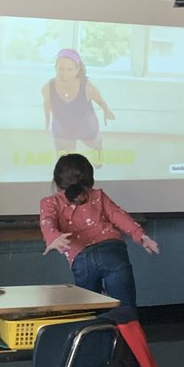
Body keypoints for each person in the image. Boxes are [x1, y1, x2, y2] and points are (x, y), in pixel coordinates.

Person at [39, 153, 158, 307]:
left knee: (89, 310)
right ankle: (128, 328)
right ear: (89, 179)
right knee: (125, 309)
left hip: (81, 257)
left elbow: (47, 221)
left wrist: (53, 236)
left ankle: (96, 330)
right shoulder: (97, 196)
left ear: (56, 181)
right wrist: (140, 235)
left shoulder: (50, 202)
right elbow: (117, 214)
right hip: (112, 251)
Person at [42, 48, 114, 153]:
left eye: (69, 69)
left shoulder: (87, 87)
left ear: (77, 69)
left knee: (95, 143)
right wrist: (47, 124)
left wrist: (106, 111)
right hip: (63, 128)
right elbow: (46, 106)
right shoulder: (47, 88)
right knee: (66, 161)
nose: (64, 73)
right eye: (60, 68)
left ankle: (98, 149)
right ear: (55, 68)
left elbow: (101, 101)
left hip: (86, 125)